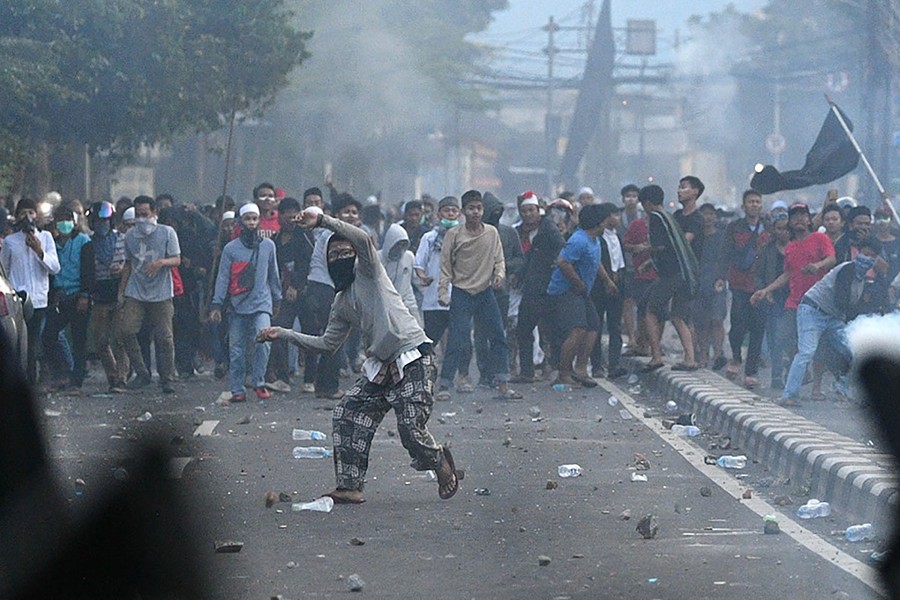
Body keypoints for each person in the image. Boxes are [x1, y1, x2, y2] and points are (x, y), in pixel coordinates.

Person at [257, 206, 462, 504]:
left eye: (345, 252)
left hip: (413, 357)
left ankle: (440, 461)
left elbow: (364, 241)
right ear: (327, 261)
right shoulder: (341, 301)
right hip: (381, 367)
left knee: (409, 430)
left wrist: (325, 222)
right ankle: (350, 485)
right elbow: (327, 344)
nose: (340, 258)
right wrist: (284, 333)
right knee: (346, 412)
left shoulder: (369, 272)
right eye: (334, 255)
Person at [437, 190, 519, 400]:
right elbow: (445, 266)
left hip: (485, 293)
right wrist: (443, 292)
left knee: (498, 337)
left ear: (483, 210)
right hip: (462, 292)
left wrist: (499, 275)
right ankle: (445, 384)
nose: (475, 212)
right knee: (457, 339)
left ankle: (502, 383)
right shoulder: (454, 235)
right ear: (463, 211)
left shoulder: (491, 233)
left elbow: (499, 259)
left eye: (478, 208)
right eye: (471, 208)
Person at [780, 237, 882, 404]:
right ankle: (789, 395)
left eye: (872, 256)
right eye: (865, 254)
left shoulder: (862, 279)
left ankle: (842, 389)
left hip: (832, 317)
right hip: (813, 311)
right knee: (807, 351)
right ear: (858, 253)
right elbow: (842, 302)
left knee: (851, 349)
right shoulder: (847, 270)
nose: (867, 259)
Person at [751, 203, 836, 403]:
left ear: (809, 219)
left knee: (818, 347)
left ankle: (815, 387)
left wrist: (818, 265)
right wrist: (766, 290)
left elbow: (832, 259)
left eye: (802, 215)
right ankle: (801, 375)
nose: (799, 219)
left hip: (818, 301)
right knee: (784, 336)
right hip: (796, 300)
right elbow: (787, 274)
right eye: (794, 216)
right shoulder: (790, 247)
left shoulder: (819, 238)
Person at [210, 203, 281, 402]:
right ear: (241, 221)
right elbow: (223, 278)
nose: (251, 223)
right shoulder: (230, 249)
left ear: (259, 221)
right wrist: (216, 304)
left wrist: (277, 298)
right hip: (237, 305)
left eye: (254, 219)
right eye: (247, 219)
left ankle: (259, 382)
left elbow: (273, 275)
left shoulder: (268, 246)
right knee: (236, 349)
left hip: (262, 304)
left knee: (263, 343)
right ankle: (237, 388)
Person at [117, 195, 181, 394]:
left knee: (165, 337)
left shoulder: (167, 233)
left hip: (161, 292)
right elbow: (128, 264)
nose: (142, 219)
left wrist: (160, 263)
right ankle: (142, 372)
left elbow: (176, 259)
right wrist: (122, 291)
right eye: (138, 215)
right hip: (136, 290)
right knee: (126, 330)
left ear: (155, 213)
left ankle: (167, 377)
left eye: (145, 214)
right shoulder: (130, 236)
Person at [0, 198, 61, 385]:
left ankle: (34, 380)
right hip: (18, 301)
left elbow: (55, 268)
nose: (27, 217)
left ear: (37, 215)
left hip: (39, 300)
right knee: (21, 344)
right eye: (23, 213)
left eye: (31, 212)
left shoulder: (46, 238)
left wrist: (39, 251)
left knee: (34, 342)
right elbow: (5, 269)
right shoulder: (10, 242)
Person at [546, 204, 606, 388]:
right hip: (566, 291)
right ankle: (563, 372)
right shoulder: (579, 240)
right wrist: (578, 282)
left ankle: (580, 368)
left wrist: (607, 281)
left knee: (593, 326)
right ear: (598, 223)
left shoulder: (594, 240)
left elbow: (596, 263)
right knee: (577, 329)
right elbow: (563, 262)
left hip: (581, 292)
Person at [641, 184, 699, 371]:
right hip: (684, 273)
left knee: (649, 310)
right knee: (677, 316)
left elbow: (660, 246)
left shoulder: (656, 218)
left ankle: (656, 356)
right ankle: (690, 359)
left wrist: (643, 249)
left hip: (670, 275)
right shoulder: (669, 217)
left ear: (648, 203)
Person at [512, 191, 565, 382]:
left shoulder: (548, 228)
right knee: (524, 330)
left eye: (531, 210)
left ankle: (559, 370)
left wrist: (554, 266)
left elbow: (560, 248)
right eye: (524, 211)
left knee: (552, 331)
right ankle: (528, 372)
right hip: (531, 287)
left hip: (548, 287)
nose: (528, 214)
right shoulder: (519, 231)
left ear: (538, 210)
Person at [42, 205, 92, 391]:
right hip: (60, 297)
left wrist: (85, 295)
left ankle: (77, 380)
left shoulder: (83, 241)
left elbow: (88, 270)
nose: (63, 223)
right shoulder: (53, 244)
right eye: (59, 219)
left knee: (79, 339)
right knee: (48, 335)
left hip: (78, 295)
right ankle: (60, 373)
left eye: (67, 219)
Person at [722, 190, 769, 387]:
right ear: (743, 206)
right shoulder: (734, 228)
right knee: (737, 326)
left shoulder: (769, 228)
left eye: (758, 202)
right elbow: (724, 253)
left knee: (758, 329)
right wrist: (720, 277)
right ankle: (735, 357)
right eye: (751, 202)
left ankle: (751, 371)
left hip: (761, 286)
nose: (755, 205)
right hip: (739, 284)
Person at [265, 197, 312, 392]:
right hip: (283, 295)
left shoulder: (306, 237)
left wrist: (296, 286)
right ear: (280, 216)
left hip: (306, 294)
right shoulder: (275, 240)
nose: (290, 219)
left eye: (294, 215)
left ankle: (310, 379)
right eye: (287, 215)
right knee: (280, 332)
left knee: (310, 336)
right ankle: (283, 377)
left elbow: (307, 263)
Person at [82, 201, 128, 393]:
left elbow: (133, 264)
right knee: (101, 341)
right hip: (99, 297)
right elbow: (85, 273)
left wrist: (123, 270)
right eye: (99, 221)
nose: (102, 224)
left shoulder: (124, 240)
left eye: (106, 220)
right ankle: (112, 375)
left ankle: (121, 378)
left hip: (120, 295)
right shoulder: (88, 244)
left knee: (120, 339)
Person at [590, 203, 627, 379]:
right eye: (615, 215)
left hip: (617, 286)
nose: (618, 218)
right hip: (599, 287)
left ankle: (614, 364)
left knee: (615, 326)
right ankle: (596, 365)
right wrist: (607, 280)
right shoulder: (597, 238)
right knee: (596, 326)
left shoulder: (617, 236)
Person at [754, 212, 790, 389]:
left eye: (786, 228)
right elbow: (757, 274)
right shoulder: (766, 250)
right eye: (779, 228)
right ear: (774, 230)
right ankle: (777, 375)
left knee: (792, 338)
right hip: (773, 299)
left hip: (793, 298)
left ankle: (792, 374)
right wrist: (765, 291)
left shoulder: (797, 248)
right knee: (775, 337)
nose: (783, 232)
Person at [694, 202, 729, 372]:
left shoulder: (722, 237)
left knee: (717, 319)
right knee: (701, 322)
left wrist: (722, 278)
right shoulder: (696, 237)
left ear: (715, 217)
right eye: (704, 214)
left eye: (710, 214)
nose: (707, 217)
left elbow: (726, 260)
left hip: (717, 282)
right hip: (698, 282)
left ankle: (717, 354)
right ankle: (703, 355)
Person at [379, 223, 421, 324]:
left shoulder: (409, 257)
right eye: (397, 244)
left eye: (403, 245)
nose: (399, 248)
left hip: (407, 303)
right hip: (382, 306)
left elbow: (416, 281)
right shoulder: (377, 259)